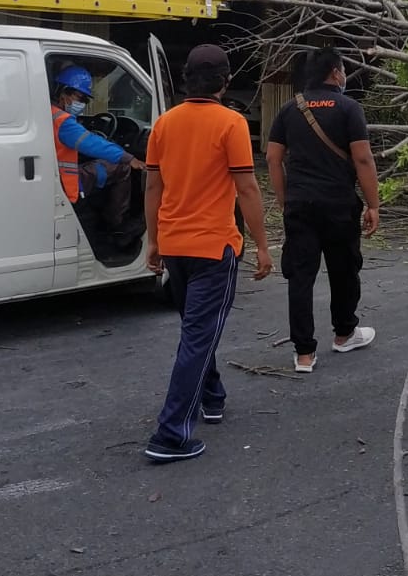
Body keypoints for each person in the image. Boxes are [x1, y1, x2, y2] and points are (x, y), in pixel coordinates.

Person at [143, 44, 273, 463]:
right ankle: (170, 434)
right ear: (225, 80)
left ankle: (212, 397)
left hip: (176, 246)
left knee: (198, 330)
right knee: (198, 336)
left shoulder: (163, 124)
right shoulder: (231, 123)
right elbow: (247, 187)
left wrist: (154, 241)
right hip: (214, 248)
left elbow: (152, 188)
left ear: (186, 79)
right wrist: (263, 244)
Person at [266, 47, 381, 374]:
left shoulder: (290, 109)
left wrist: (284, 198)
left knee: (300, 277)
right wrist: (373, 204)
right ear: (335, 72)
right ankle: (344, 334)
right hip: (338, 205)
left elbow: (274, 159)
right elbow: (362, 159)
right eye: (343, 70)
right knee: (344, 270)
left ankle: (304, 354)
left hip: (300, 204)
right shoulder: (349, 108)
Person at [51, 65, 143, 230]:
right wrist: (129, 158)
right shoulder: (63, 121)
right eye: (79, 97)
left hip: (56, 176)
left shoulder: (50, 112)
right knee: (121, 168)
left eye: (85, 100)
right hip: (67, 182)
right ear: (63, 92)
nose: (82, 104)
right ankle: (117, 223)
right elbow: (92, 143)